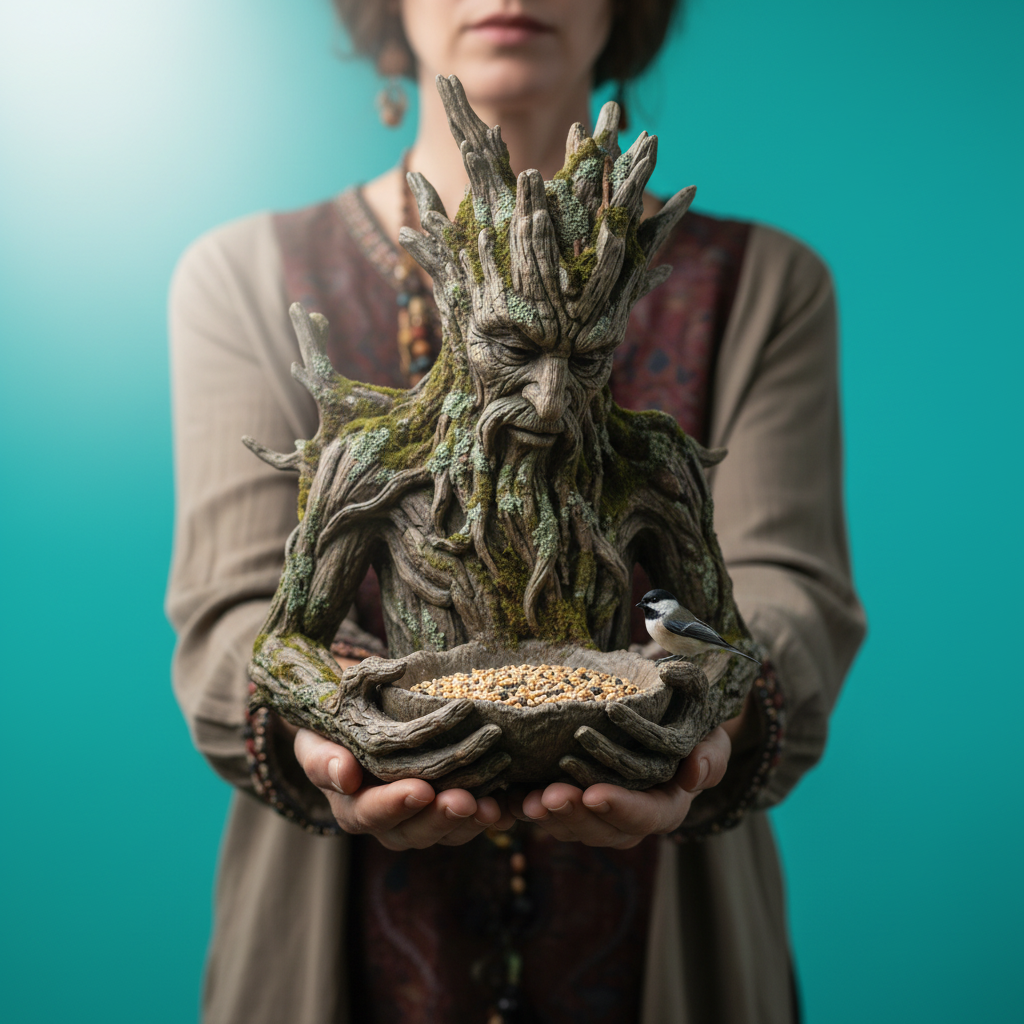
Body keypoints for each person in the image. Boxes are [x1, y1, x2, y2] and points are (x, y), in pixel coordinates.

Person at [166, 1, 866, 1021]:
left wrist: (705, 729)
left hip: (674, 956)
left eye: (578, 362)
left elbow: (777, 599)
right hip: (330, 956)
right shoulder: (244, 280)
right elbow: (244, 624)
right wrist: (340, 726)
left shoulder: (765, 288)